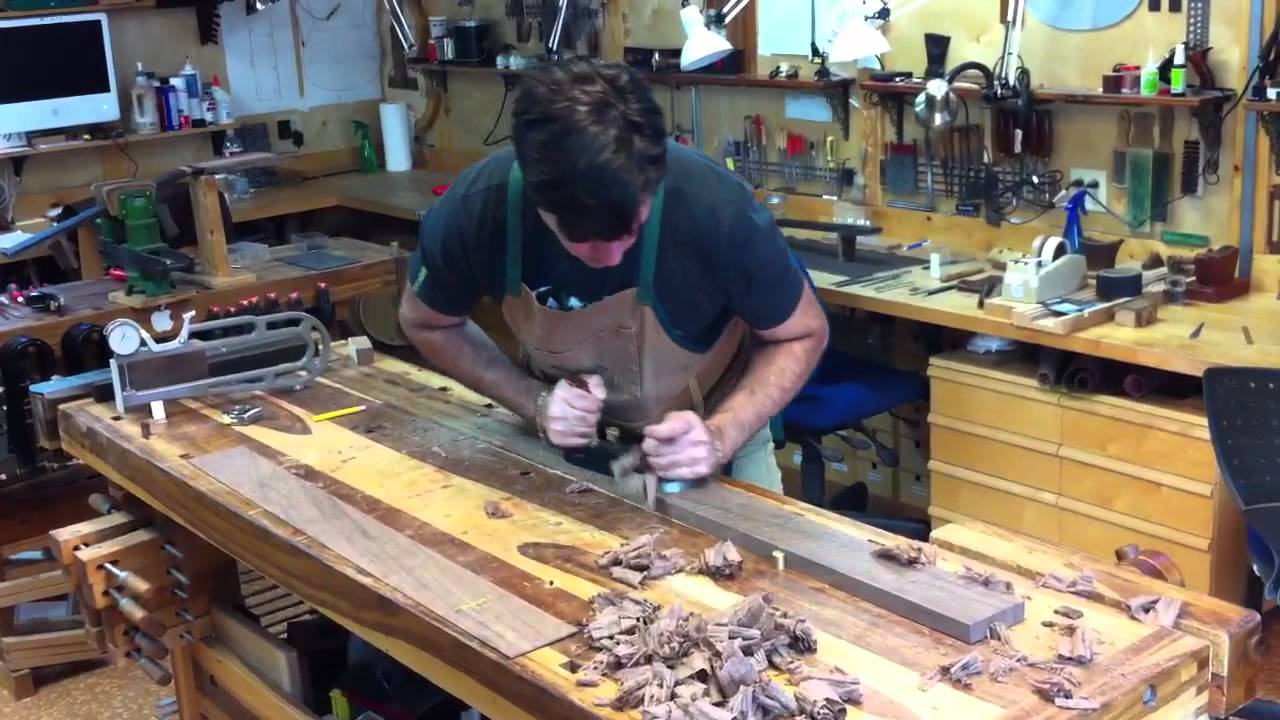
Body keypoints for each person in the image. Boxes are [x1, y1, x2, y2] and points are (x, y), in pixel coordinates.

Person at [399, 59, 828, 491]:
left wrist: (721, 434)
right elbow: (426, 322)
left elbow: (801, 334)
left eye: (630, 232)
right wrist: (535, 402)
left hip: (711, 457)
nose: (610, 256)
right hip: (561, 453)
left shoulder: (715, 208)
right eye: (583, 240)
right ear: (538, 201)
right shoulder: (480, 207)